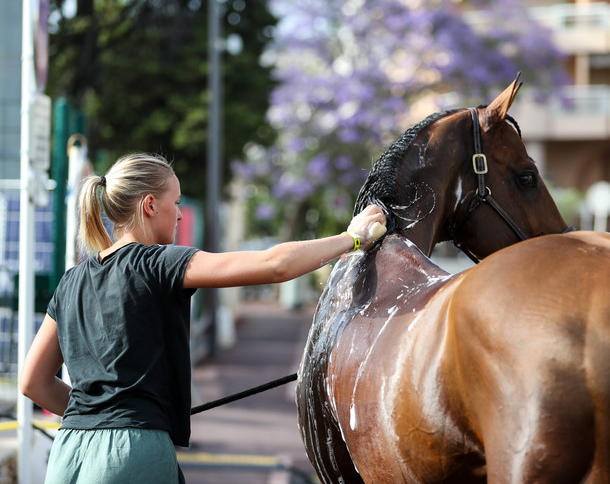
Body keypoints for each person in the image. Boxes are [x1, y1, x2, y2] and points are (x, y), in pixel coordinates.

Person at [19, 153, 386, 484]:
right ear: (149, 205)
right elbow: (274, 265)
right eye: (174, 203)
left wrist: (96, 415)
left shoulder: (71, 281)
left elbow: (33, 382)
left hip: (68, 453)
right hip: (133, 451)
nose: (179, 214)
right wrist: (351, 239)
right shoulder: (159, 263)